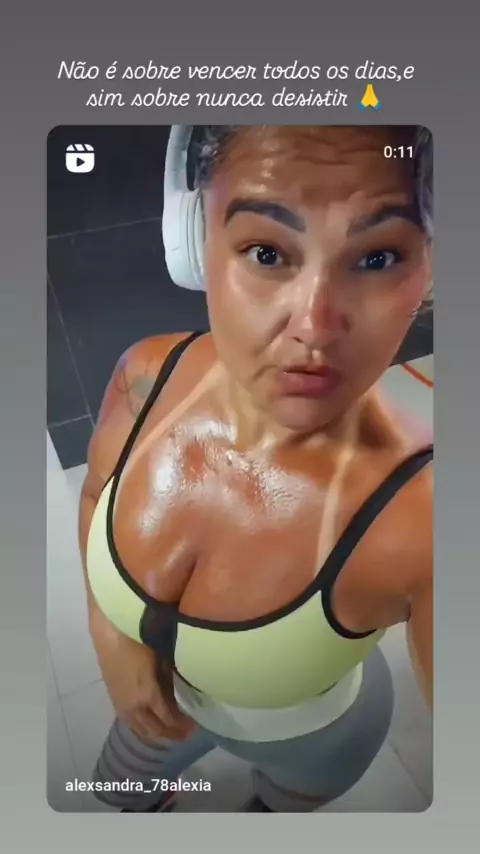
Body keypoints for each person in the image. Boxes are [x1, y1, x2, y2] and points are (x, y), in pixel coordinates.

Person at [79, 125, 433, 813]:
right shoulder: (145, 375)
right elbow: (96, 492)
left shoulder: (426, 519)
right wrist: (108, 633)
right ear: (194, 244)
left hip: (317, 743)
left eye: (378, 257)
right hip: (149, 713)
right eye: (267, 252)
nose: (314, 327)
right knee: (116, 794)